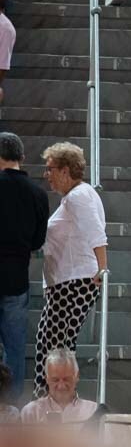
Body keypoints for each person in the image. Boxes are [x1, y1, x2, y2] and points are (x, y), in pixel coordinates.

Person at [34, 144, 106, 399]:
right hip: (66, 283)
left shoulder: (79, 197)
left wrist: (102, 268)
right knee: (52, 345)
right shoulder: (74, 197)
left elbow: (96, 233)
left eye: (50, 168)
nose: (47, 174)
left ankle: (52, 403)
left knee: (55, 347)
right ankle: (50, 402)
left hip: (74, 283)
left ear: (65, 170)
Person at [0, 133, 47, 400]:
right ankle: (11, 411)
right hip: (17, 281)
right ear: (22, 158)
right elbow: (38, 241)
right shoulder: (38, 194)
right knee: (15, 351)